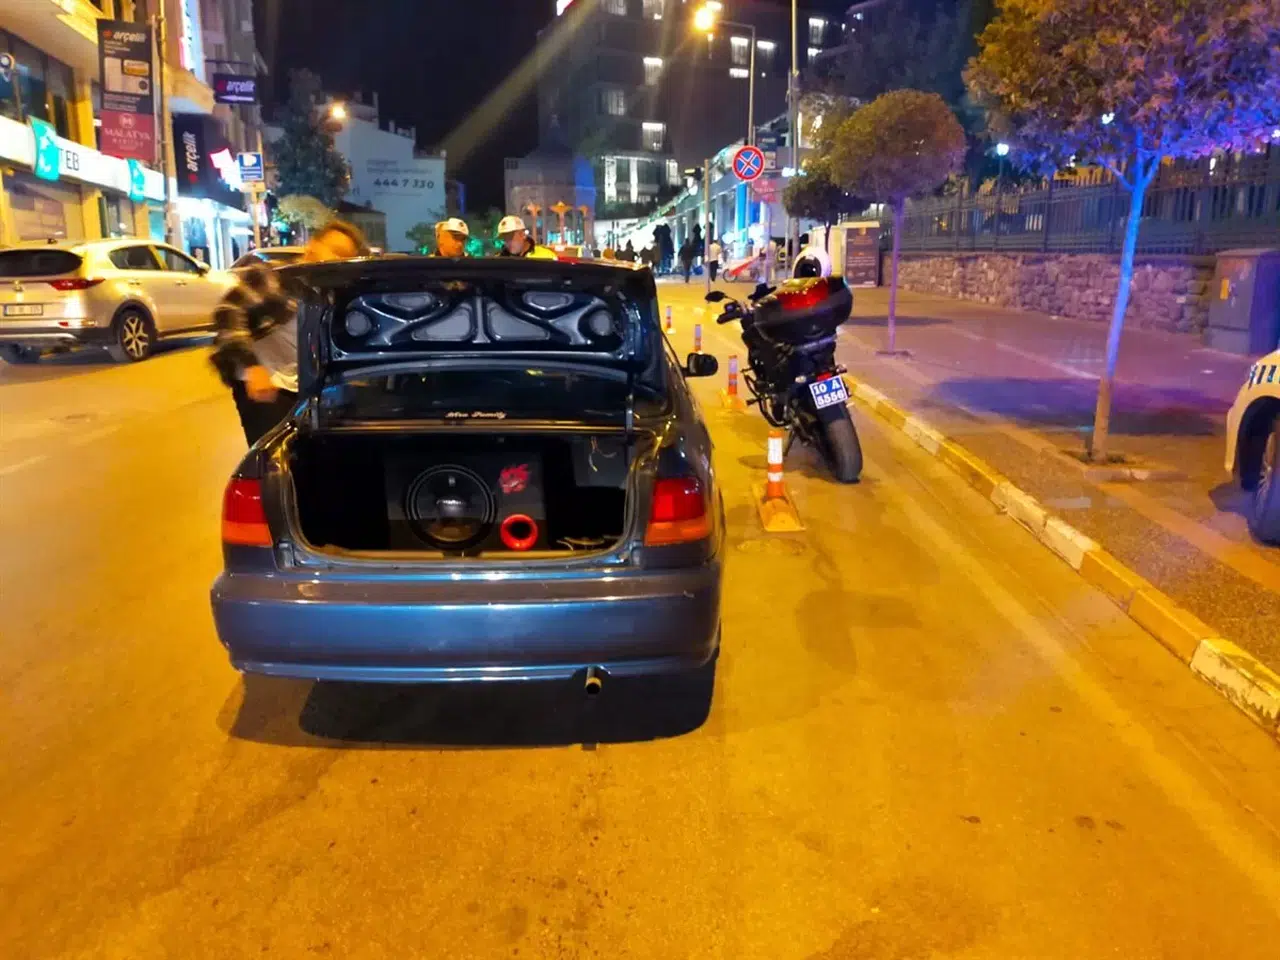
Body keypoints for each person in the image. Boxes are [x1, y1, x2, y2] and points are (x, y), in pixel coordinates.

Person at [211, 220, 370, 446]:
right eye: (334, 250)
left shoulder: (331, 291)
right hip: (264, 385)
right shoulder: (274, 277)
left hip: (302, 387)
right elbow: (228, 314)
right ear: (312, 245)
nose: (337, 259)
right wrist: (252, 367)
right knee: (274, 454)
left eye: (344, 256)